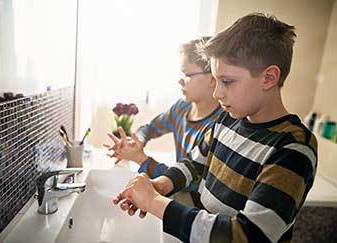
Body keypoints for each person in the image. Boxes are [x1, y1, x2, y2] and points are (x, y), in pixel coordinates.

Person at [113, 12, 318, 243]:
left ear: (269, 78)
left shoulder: (293, 148)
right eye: (216, 80)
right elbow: (193, 165)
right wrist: (161, 185)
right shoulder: (226, 120)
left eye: (227, 81)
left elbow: (249, 235)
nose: (216, 92)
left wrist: (154, 202)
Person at [106, 37, 222, 206]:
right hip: (179, 193)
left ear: (212, 78)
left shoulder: (217, 127)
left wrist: (141, 159)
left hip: (195, 205)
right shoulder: (181, 108)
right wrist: (137, 140)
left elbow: (185, 183)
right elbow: (149, 128)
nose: (180, 81)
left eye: (187, 75)